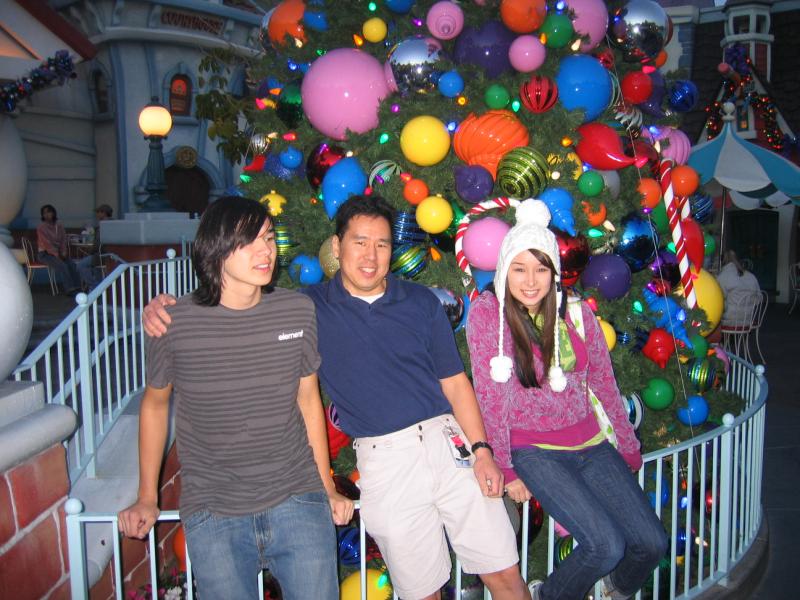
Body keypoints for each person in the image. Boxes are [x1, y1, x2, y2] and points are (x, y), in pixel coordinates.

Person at [144, 195, 532, 600]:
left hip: (448, 443)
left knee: (504, 572)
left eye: (382, 244)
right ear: (336, 246)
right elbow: (240, 300)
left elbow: (455, 383)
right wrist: (164, 307)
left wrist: (482, 450)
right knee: (421, 592)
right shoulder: (308, 307)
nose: (371, 256)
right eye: (359, 242)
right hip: (384, 459)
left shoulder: (421, 302)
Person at [119, 196, 353, 600]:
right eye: (249, 241)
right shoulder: (174, 323)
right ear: (216, 248)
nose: (266, 251)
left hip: (297, 497)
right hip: (214, 511)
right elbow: (155, 405)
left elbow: (308, 400)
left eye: (268, 238)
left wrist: (326, 486)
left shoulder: (296, 311)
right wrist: (146, 496)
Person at [466, 200, 668, 600]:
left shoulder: (575, 313)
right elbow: (491, 397)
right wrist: (506, 467)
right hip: (534, 450)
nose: (530, 281)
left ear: (554, 272)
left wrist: (627, 443)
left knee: (652, 543)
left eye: (541, 269)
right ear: (504, 269)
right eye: (519, 269)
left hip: (591, 443)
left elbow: (605, 383)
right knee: (604, 546)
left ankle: (612, 590)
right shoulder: (489, 316)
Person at [36, 204, 81, 294]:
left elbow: (63, 240)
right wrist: (57, 255)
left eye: (49, 212)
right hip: (45, 254)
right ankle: (70, 289)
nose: (46, 215)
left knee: (71, 264)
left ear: (53, 213)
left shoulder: (59, 226)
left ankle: (78, 287)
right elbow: (47, 244)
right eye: (44, 213)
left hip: (60, 253)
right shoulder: (41, 227)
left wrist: (64, 252)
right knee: (62, 266)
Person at [717, 249, 761, 325]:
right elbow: (759, 298)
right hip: (748, 319)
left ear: (722, 261)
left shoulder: (723, 276)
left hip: (729, 320)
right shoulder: (751, 276)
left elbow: (718, 299)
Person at [75, 204, 114, 290]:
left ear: (104, 213)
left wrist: (91, 251)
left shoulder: (103, 225)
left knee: (80, 266)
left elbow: (98, 244)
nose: (97, 214)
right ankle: (99, 287)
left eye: (98, 212)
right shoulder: (114, 224)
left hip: (101, 255)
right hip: (111, 255)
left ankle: (94, 286)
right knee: (95, 268)